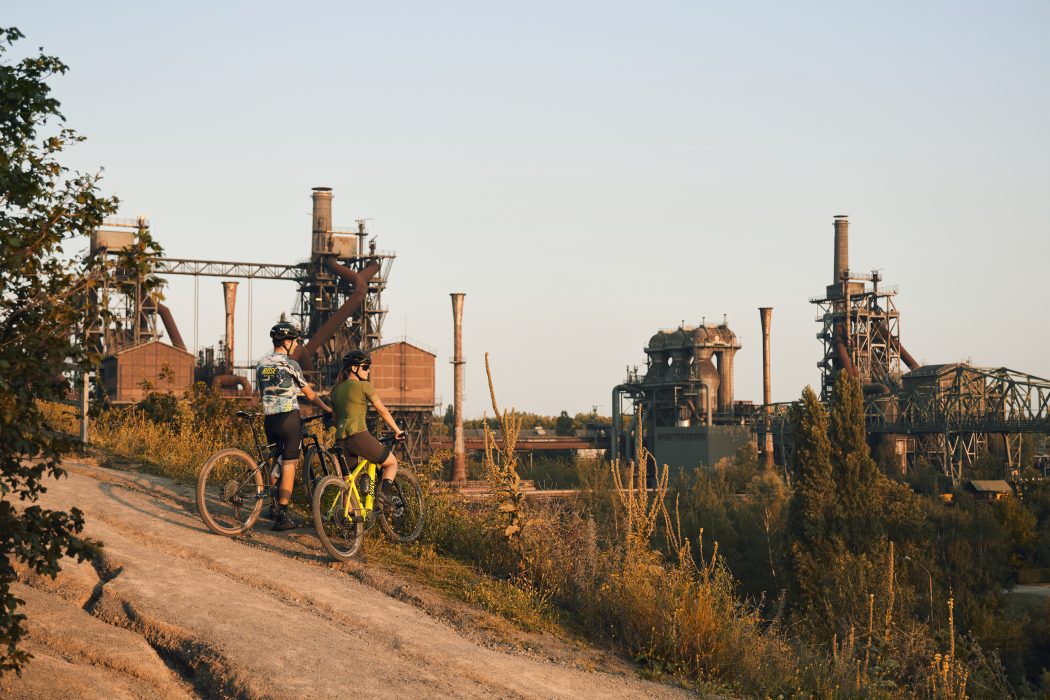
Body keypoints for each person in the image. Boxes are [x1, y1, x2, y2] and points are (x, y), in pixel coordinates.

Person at [256, 321, 332, 530]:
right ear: (287, 342)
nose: (297, 345)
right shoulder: (291, 364)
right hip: (289, 418)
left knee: (276, 461)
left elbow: (262, 394)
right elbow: (309, 394)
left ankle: (272, 507)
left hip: (269, 419)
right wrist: (326, 409)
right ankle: (282, 516)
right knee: (289, 465)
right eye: (296, 341)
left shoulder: (261, 363)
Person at [330, 349, 404, 507]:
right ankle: (383, 495)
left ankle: (347, 522)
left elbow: (335, 420)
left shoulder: (335, 391)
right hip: (358, 436)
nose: (368, 371)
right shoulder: (364, 386)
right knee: (391, 463)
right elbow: (382, 411)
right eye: (365, 367)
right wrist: (397, 431)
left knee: (347, 484)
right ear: (354, 368)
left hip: (340, 440)